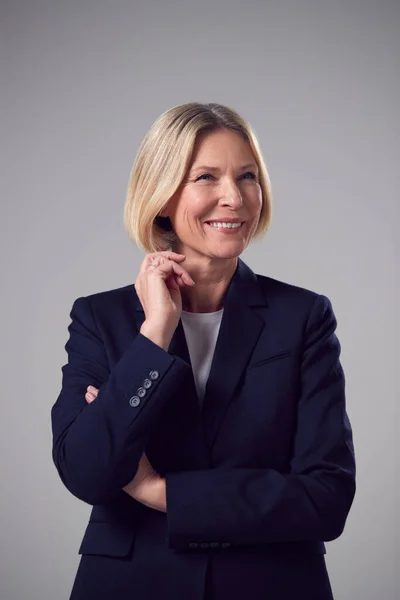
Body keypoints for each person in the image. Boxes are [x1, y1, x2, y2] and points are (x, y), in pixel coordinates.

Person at [51, 102, 356, 600]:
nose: (233, 197)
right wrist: (153, 336)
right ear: (163, 195)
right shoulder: (99, 319)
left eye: (247, 176)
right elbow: (88, 472)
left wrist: (160, 493)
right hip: (131, 585)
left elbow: (327, 497)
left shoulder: (304, 317)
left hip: (272, 583)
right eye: (206, 177)